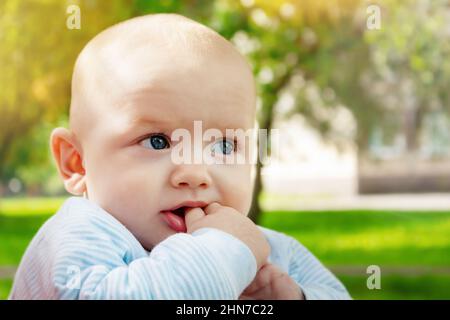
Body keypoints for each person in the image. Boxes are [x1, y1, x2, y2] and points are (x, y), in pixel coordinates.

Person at [9, 14, 350, 300]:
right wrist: (221, 253)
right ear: (76, 162)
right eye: (157, 141)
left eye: (224, 146)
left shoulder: (269, 248)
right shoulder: (81, 235)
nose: (195, 172)